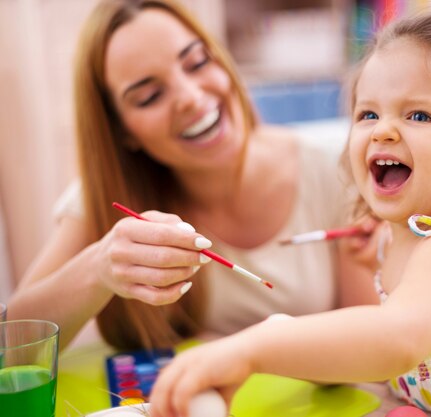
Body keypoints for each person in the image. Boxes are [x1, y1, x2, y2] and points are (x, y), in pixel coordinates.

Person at [149, 11, 431, 417]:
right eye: (367, 114)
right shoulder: (396, 240)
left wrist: (256, 345)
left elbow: (396, 341)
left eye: (419, 116)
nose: (383, 130)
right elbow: (375, 346)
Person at [7, 0, 379, 351]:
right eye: (150, 95)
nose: (189, 96)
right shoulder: (107, 196)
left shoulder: (334, 170)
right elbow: (10, 344)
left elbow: (371, 348)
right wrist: (98, 267)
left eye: (197, 62)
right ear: (122, 131)